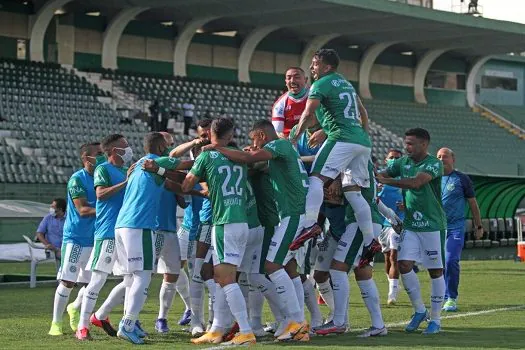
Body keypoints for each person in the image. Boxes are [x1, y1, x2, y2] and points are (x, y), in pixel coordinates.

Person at [202, 119, 310, 342]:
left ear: (261, 135)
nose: (253, 144)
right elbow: (253, 163)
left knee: (273, 267)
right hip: (290, 215)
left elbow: (251, 159)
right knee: (274, 268)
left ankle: (297, 321)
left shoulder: (278, 145)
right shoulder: (281, 150)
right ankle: (293, 321)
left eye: (253, 139)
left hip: (293, 214)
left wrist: (218, 148)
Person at [290, 48, 380, 267]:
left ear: (326, 66)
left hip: (341, 139)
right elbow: (363, 113)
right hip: (361, 142)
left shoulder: (320, 84)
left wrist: (294, 138)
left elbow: (308, 113)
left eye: (315, 64)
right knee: (353, 192)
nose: (312, 68)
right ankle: (370, 241)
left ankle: (309, 224)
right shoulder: (345, 83)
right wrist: (362, 136)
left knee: (316, 180)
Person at [182, 118, 256, 346]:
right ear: (231, 135)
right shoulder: (238, 156)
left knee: (225, 279)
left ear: (209, 133)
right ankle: (217, 329)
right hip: (242, 221)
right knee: (222, 277)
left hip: (224, 222)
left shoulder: (205, 156)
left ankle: (245, 330)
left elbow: (186, 186)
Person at [113, 132, 192, 344]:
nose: (168, 150)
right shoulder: (158, 160)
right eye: (167, 146)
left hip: (121, 225)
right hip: (139, 226)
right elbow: (187, 165)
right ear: (159, 148)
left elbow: (172, 183)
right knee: (143, 276)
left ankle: (129, 322)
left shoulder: (139, 164)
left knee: (132, 278)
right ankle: (128, 324)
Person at [376, 128, 447, 335]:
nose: (406, 147)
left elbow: (416, 183)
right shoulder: (402, 162)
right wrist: (374, 174)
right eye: (405, 143)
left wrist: (386, 181)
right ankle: (419, 310)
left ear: (424, 144)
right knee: (403, 264)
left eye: (411, 144)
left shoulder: (434, 163)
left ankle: (435, 319)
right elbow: (382, 174)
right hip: (411, 225)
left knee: (435, 271)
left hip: (432, 226)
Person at [315, 160, 389, 337]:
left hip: (359, 223)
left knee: (338, 269)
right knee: (363, 273)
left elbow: (354, 194)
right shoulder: (361, 162)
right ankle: (378, 325)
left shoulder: (353, 161)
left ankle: (339, 321)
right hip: (364, 222)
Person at [76, 134, 133, 340]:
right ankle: (82, 327)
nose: (128, 149)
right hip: (107, 231)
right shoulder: (103, 169)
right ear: (113, 150)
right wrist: (127, 182)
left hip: (125, 231)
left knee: (132, 280)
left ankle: (102, 315)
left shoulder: (125, 170)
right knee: (98, 279)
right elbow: (100, 194)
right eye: (124, 146)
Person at [48, 143, 102, 336]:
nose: (103, 157)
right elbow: (83, 209)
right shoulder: (77, 179)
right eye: (99, 154)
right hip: (76, 239)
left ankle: (75, 308)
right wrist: (108, 209)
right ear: (87, 158)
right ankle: (56, 323)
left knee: (90, 284)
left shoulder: (101, 178)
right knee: (68, 282)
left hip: (95, 238)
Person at [437, 147, 483, 312]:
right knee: (438, 264)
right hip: (436, 228)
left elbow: (473, 203)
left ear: (453, 159)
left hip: (455, 227)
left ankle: (451, 298)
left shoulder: (461, 179)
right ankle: (440, 296)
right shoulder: (431, 178)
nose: (442, 159)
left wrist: (478, 226)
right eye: (439, 156)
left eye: (445, 156)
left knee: (451, 261)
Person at [378, 149, 405, 305]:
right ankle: (394, 285)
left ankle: (391, 295)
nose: (394, 160)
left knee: (394, 257)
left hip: (398, 223)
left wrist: (406, 206)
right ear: (386, 160)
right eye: (391, 158)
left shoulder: (405, 180)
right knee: (387, 258)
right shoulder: (380, 179)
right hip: (381, 224)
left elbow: (412, 199)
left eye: (397, 158)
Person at [272, 67, 309, 138]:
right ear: (285, 82)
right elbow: (277, 132)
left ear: (305, 80)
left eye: (297, 77)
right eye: (289, 78)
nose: (292, 81)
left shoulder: (315, 97)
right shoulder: (280, 104)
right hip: (290, 141)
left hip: (313, 140)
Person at [36, 198, 66, 263]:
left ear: (60, 209)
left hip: (67, 248)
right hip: (53, 250)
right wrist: (47, 244)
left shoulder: (69, 218)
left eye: (53, 207)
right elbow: (39, 233)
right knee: (67, 258)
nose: (50, 208)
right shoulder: (48, 218)